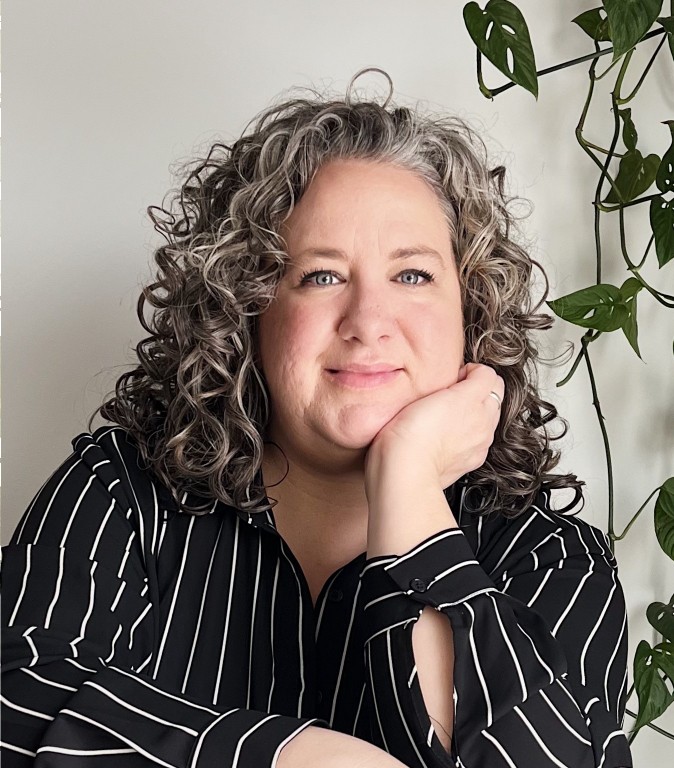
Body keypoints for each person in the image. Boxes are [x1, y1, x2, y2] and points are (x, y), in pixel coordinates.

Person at [1, 68, 633, 768]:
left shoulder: (551, 558)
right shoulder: (123, 494)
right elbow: (16, 705)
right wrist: (295, 757)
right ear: (248, 310)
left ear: (471, 312)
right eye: (321, 276)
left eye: (413, 275)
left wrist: (409, 491)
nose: (368, 320)